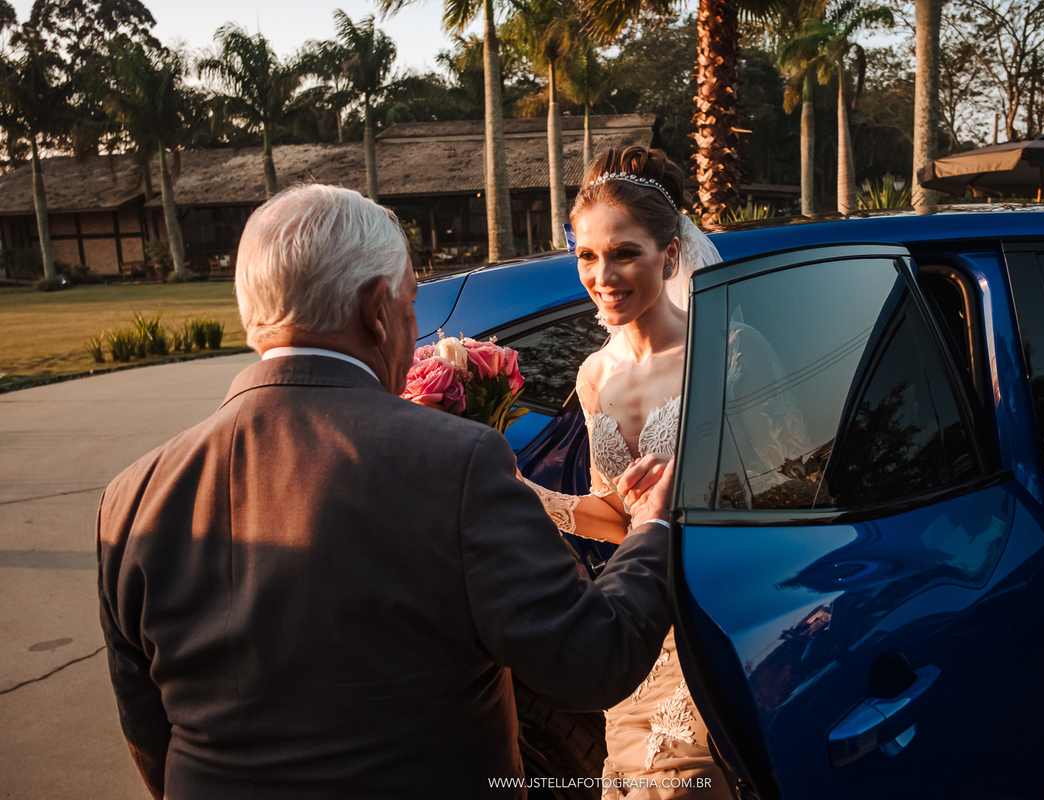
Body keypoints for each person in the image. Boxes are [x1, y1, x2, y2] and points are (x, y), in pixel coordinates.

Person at [96, 184, 676, 800]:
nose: (414, 326)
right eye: (409, 304)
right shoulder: (456, 462)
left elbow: (148, 732)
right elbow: (590, 661)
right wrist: (654, 529)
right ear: (378, 310)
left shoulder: (132, 497)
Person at [521, 147, 737, 799]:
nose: (602, 275)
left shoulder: (725, 352)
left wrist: (690, 496)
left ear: (670, 255)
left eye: (624, 253)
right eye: (587, 255)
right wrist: (525, 493)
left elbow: (792, 491)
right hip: (636, 632)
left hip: (715, 624)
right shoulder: (596, 375)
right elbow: (617, 520)